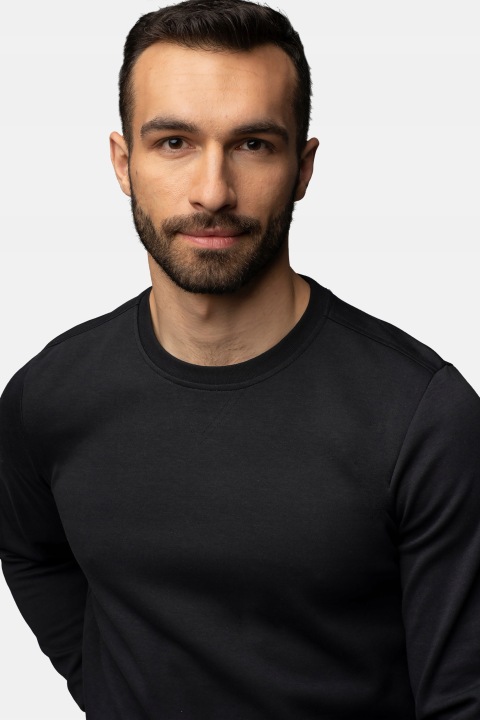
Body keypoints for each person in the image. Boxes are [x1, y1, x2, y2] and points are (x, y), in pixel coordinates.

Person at [1, 0, 479, 717]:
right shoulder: (46, 396)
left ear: (303, 168)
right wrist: (101, 686)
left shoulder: (423, 416)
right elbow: (32, 553)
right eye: (174, 142)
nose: (213, 192)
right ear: (124, 163)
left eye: (253, 144)